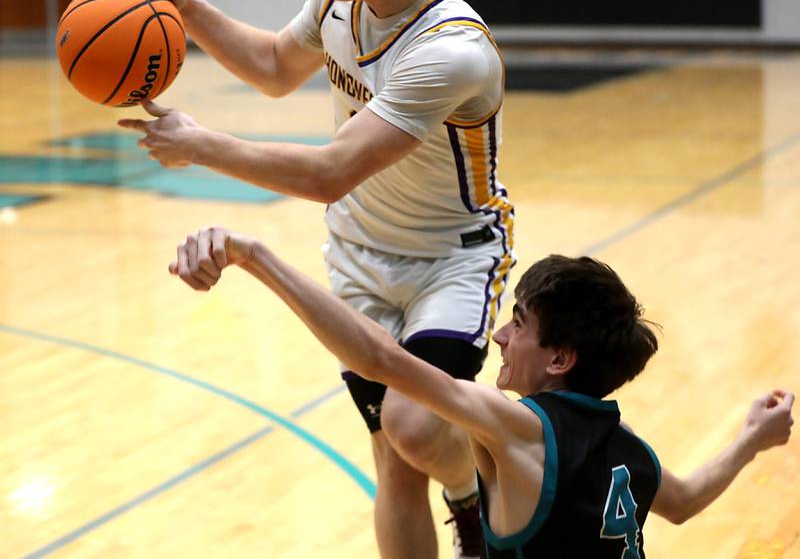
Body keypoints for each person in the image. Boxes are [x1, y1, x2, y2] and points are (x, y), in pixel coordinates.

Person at [87, 0, 512, 556]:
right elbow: (276, 66)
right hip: (359, 258)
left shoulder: (450, 50)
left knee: (413, 424)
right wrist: (187, 7)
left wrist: (200, 145)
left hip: (449, 262)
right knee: (394, 461)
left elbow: (328, 173)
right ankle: (466, 496)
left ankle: (472, 487)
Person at [169, 226, 795, 557]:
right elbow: (683, 502)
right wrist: (749, 440)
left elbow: (380, 358)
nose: (498, 333)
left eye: (517, 323)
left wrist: (256, 258)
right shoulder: (626, 445)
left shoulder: (518, 426)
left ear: (560, 359)